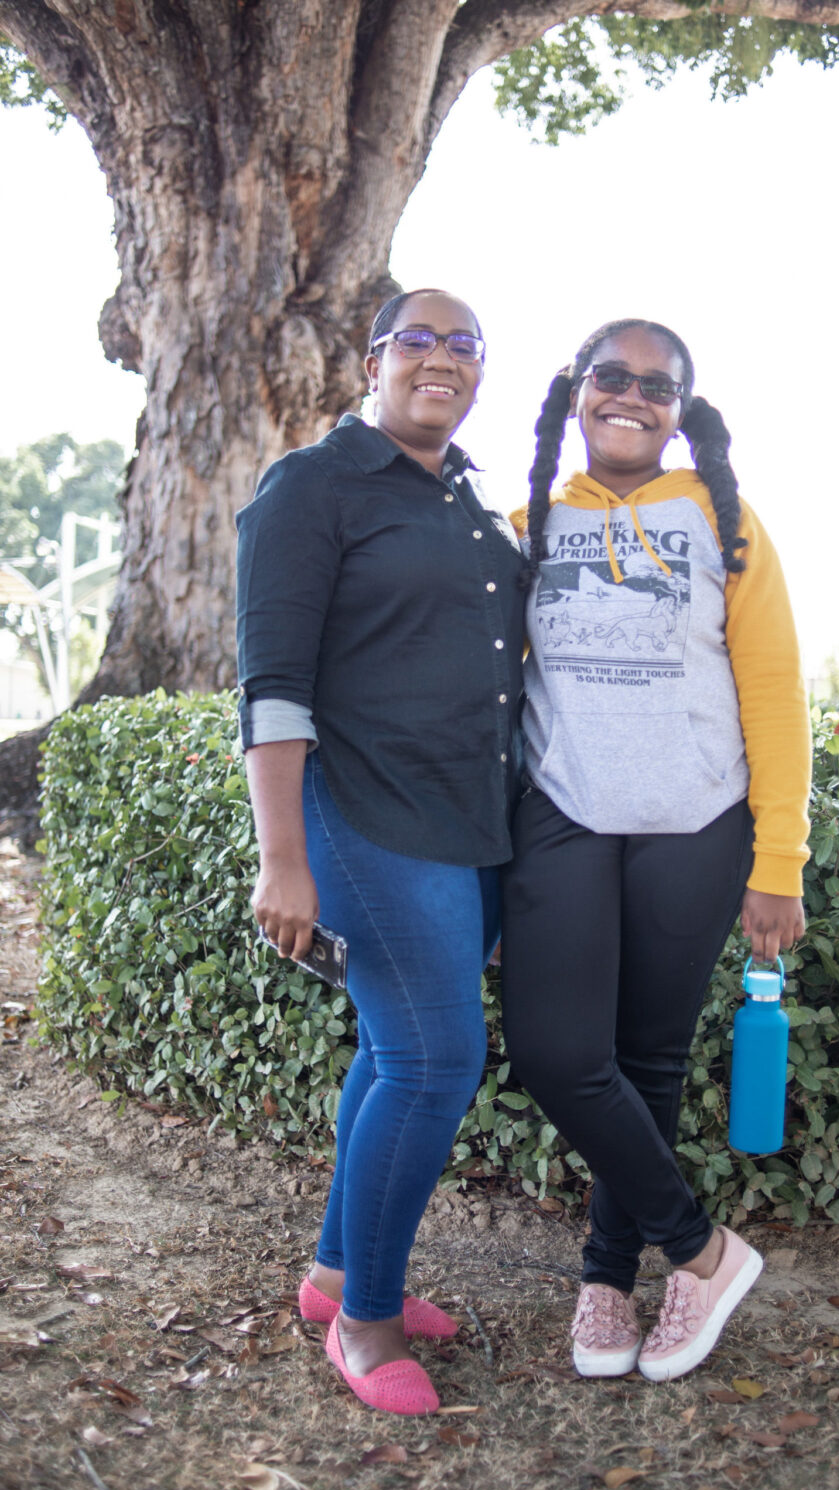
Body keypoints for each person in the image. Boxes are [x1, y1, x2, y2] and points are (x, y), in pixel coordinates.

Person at [501, 318, 811, 1383]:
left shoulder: (722, 523)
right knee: (555, 1052)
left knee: (647, 1062)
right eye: (610, 376)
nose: (630, 396)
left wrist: (779, 862)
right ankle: (702, 1252)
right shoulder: (526, 524)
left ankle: (605, 1280)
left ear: (680, 410)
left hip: (697, 820)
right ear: (574, 391)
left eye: (655, 385)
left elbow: (772, 692)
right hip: (564, 813)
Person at [235, 289, 524, 1416]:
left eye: (464, 345)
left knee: (392, 1047)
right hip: (364, 816)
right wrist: (283, 858)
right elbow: (272, 685)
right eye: (418, 340)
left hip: (468, 820)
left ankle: (331, 1274)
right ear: (372, 362)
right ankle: (366, 1320)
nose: (441, 358)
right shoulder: (311, 486)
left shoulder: (466, 495)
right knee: (435, 1060)